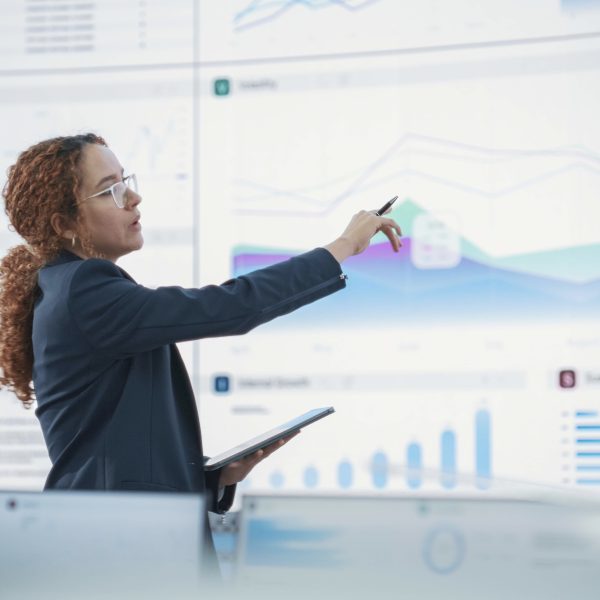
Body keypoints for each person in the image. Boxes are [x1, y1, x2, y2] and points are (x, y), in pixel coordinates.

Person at [0, 133, 402, 574]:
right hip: (114, 546)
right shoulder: (85, 290)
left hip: (113, 537)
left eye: (126, 180)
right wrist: (342, 247)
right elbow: (231, 305)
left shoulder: (72, 292)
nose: (133, 197)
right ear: (64, 224)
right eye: (111, 188)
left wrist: (214, 480)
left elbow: (117, 452)